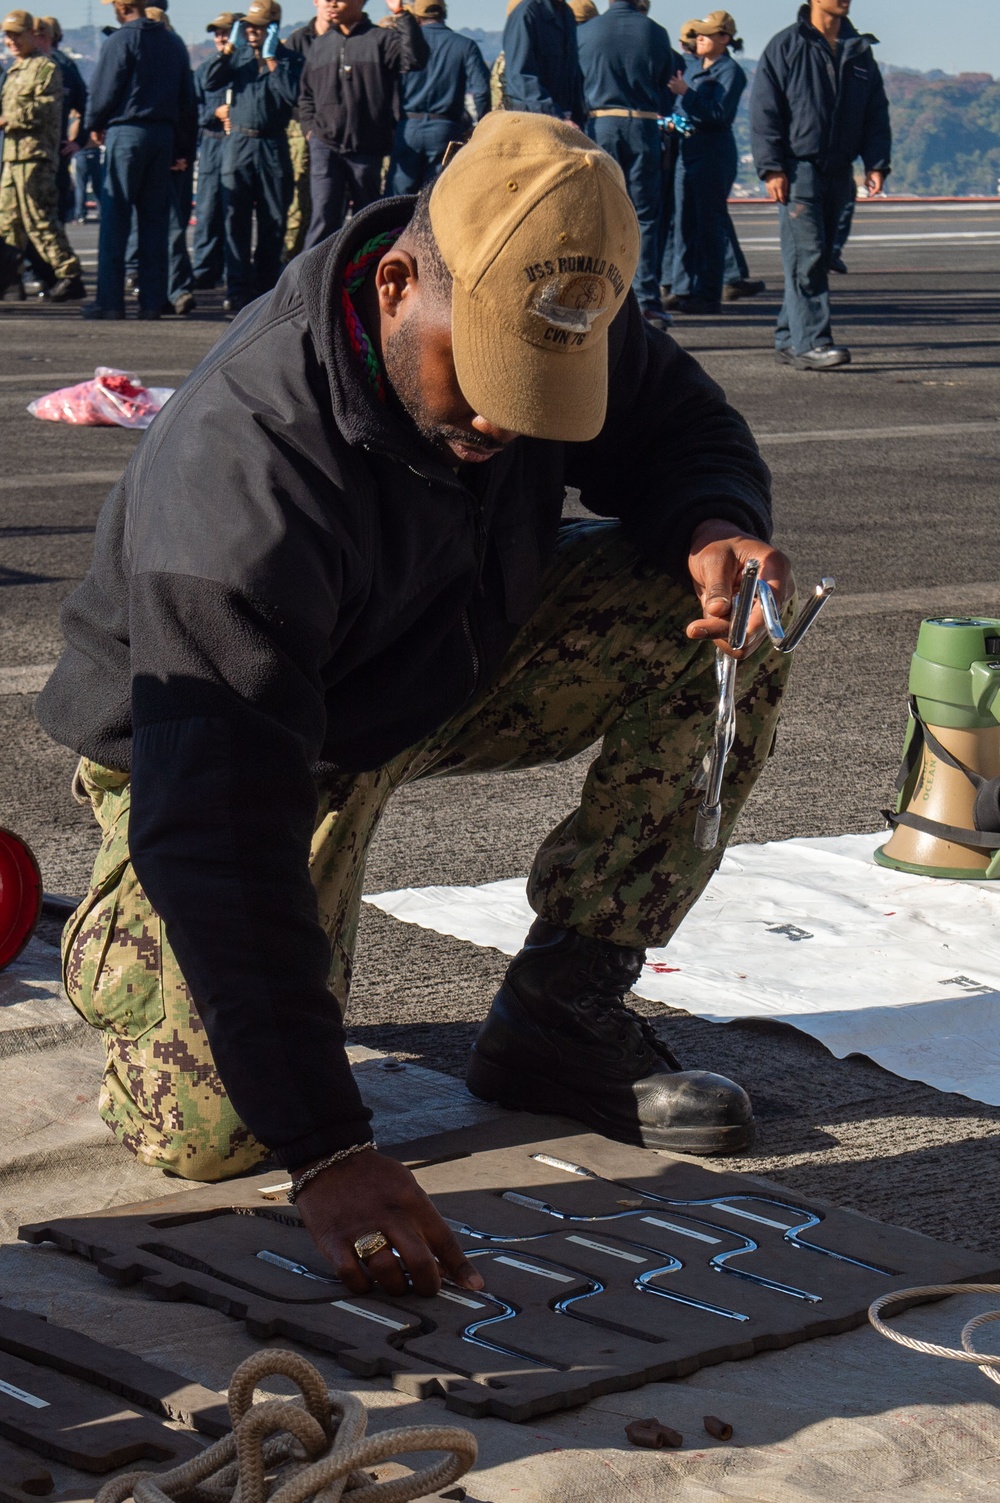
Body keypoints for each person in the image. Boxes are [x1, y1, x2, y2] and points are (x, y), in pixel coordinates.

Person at [40, 110, 794, 1299]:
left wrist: (714, 523)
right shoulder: (242, 478)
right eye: (485, 380)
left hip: (436, 661)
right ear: (395, 287)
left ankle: (562, 1012)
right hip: (240, 748)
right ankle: (116, 946)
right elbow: (223, 824)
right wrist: (328, 1147)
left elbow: (681, 426)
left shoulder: (553, 299)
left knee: (726, 625)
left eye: (546, 391)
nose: (506, 423)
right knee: (213, 1135)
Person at [750, 0, 890, 369]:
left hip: (840, 171)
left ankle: (787, 335)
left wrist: (876, 163)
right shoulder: (786, 46)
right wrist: (772, 168)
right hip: (799, 170)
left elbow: (876, 111)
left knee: (819, 256)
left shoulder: (859, 51)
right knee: (807, 257)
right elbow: (765, 109)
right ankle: (812, 342)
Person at [82, 0, 196, 320]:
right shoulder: (173, 43)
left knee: (115, 220)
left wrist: (95, 125)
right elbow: (188, 102)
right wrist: (182, 149)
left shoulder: (119, 40)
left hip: (127, 133)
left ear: (121, 6)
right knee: (154, 223)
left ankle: (110, 302)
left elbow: (103, 92)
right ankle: (151, 301)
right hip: (163, 136)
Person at [578, 0, 675, 333]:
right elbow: (667, 79)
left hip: (599, 126)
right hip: (642, 125)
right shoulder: (656, 32)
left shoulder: (586, 32)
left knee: (600, 215)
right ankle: (645, 300)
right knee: (644, 217)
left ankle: (597, 298)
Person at [299, 0, 427, 250]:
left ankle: (363, 280)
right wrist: (310, 131)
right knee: (323, 217)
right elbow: (305, 94)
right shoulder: (321, 45)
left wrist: (400, 14)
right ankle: (310, 284)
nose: (333, 4)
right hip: (325, 144)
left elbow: (415, 58)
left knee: (366, 220)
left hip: (367, 148)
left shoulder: (381, 39)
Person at [204, 0, 302, 315]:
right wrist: (230, 48)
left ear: (272, 27)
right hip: (239, 144)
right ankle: (237, 289)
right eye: (248, 26)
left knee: (274, 222)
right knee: (236, 221)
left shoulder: (290, 60)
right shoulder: (239, 58)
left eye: (258, 26)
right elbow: (210, 80)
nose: (251, 31)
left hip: (272, 145)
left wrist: (273, 59)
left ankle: (265, 291)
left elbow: (294, 96)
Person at [0, 7, 85, 301]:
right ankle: (8, 280)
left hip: (35, 156)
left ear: (31, 35)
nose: (10, 41)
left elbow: (47, 108)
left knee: (40, 219)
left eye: (15, 35)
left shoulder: (45, 68)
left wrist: (8, 116)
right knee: (7, 222)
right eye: (6, 36)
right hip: (13, 157)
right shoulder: (15, 70)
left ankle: (69, 273)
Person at [666, 9, 746, 315]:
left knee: (709, 225)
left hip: (713, 150)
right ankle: (683, 288)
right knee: (684, 221)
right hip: (689, 148)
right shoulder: (696, 68)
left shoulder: (730, 72)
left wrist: (687, 94)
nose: (700, 38)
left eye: (707, 34)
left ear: (724, 38)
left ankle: (708, 294)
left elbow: (719, 114)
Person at [385, 0, 490, 196]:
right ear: (444, 12)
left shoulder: (401, 44)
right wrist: (481, 126)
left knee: (395, 201)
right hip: (445, 129)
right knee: (437, 198)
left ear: (416, 15)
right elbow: (482, 91)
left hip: (408, 127)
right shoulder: (465, 45)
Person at [190, 11, 238, 290]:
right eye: (217, 33)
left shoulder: (244, 66)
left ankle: (235, 271)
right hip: (212, 142)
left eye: (225, 32)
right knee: (207, 211)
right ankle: (205, 269)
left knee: (234, 214)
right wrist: (215, 113)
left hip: (237, 142)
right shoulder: (206, 69)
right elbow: (194, 110)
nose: (220, 38)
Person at [283, 0, 330, 264]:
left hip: (338, 133)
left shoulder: (353, 39)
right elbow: (293, 90)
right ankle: (293, 262)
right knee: (300, 201)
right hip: (304, 131)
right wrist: (308, 127)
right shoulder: (298, 40)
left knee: (327, 205)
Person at [33, 16, 86, 224]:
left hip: (36, 151)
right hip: (58, 150)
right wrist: (78, 141)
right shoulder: (68, 67)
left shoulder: (35, 67)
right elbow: (86, 106)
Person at [502, 0, 584, 123]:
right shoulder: (527, 13)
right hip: (531, 120)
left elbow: (573, 73)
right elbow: (520, 76)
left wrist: (579, 117)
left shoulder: (566, 14)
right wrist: (555, 116)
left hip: (564, 120)